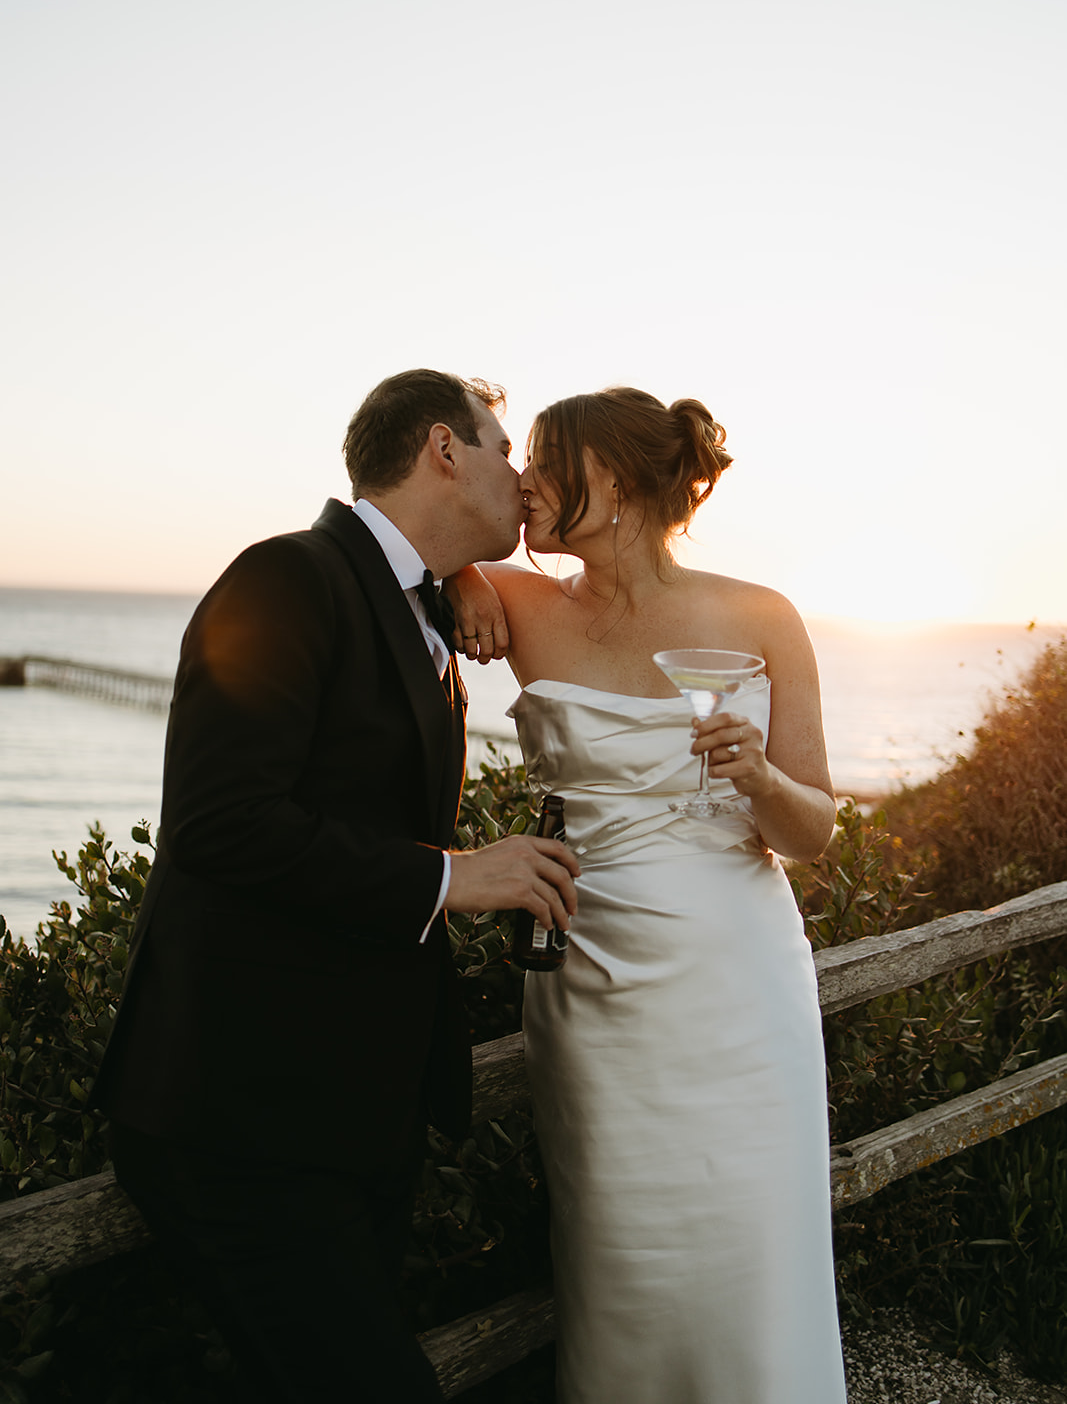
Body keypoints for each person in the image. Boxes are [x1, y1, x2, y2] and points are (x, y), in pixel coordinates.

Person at [92, 369, 580, 1404]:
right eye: (504, 447)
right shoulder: (284, 578)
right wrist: (454, 877)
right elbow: (220, 822)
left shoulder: (424, 604)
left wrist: (465, 584)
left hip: (354, 1115)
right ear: (443, 448)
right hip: (237, 1116)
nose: (522, 472)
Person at [447, 386, 848, 1404]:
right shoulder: (519, 601)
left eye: (547, 458)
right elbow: (397, 550)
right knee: (619, 1255)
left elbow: (812, 833)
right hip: (589, 978)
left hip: (736, 981)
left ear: (617, 480)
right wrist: (459, 578)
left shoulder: (763, 617)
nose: (525, 479)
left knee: (750, 1249)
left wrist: (758, 777)